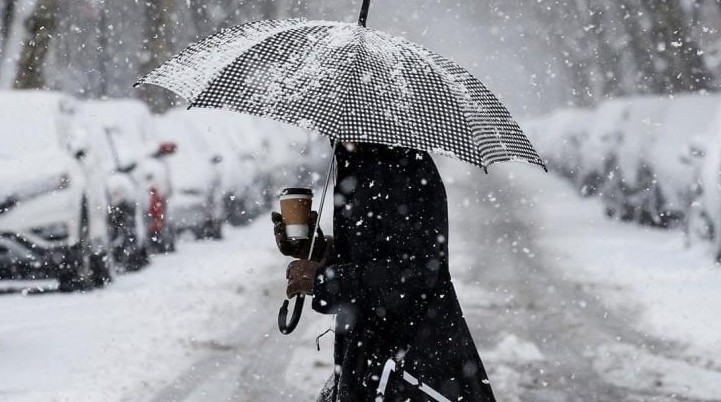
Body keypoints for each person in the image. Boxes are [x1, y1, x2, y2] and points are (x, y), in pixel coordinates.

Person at [272, 142, 496, 402]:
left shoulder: (401, 168)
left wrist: (325, 281)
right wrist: (317, 249)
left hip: (408, 362)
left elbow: (416, 272)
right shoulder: (360, 160)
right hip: (374, 358)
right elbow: (372, 252)